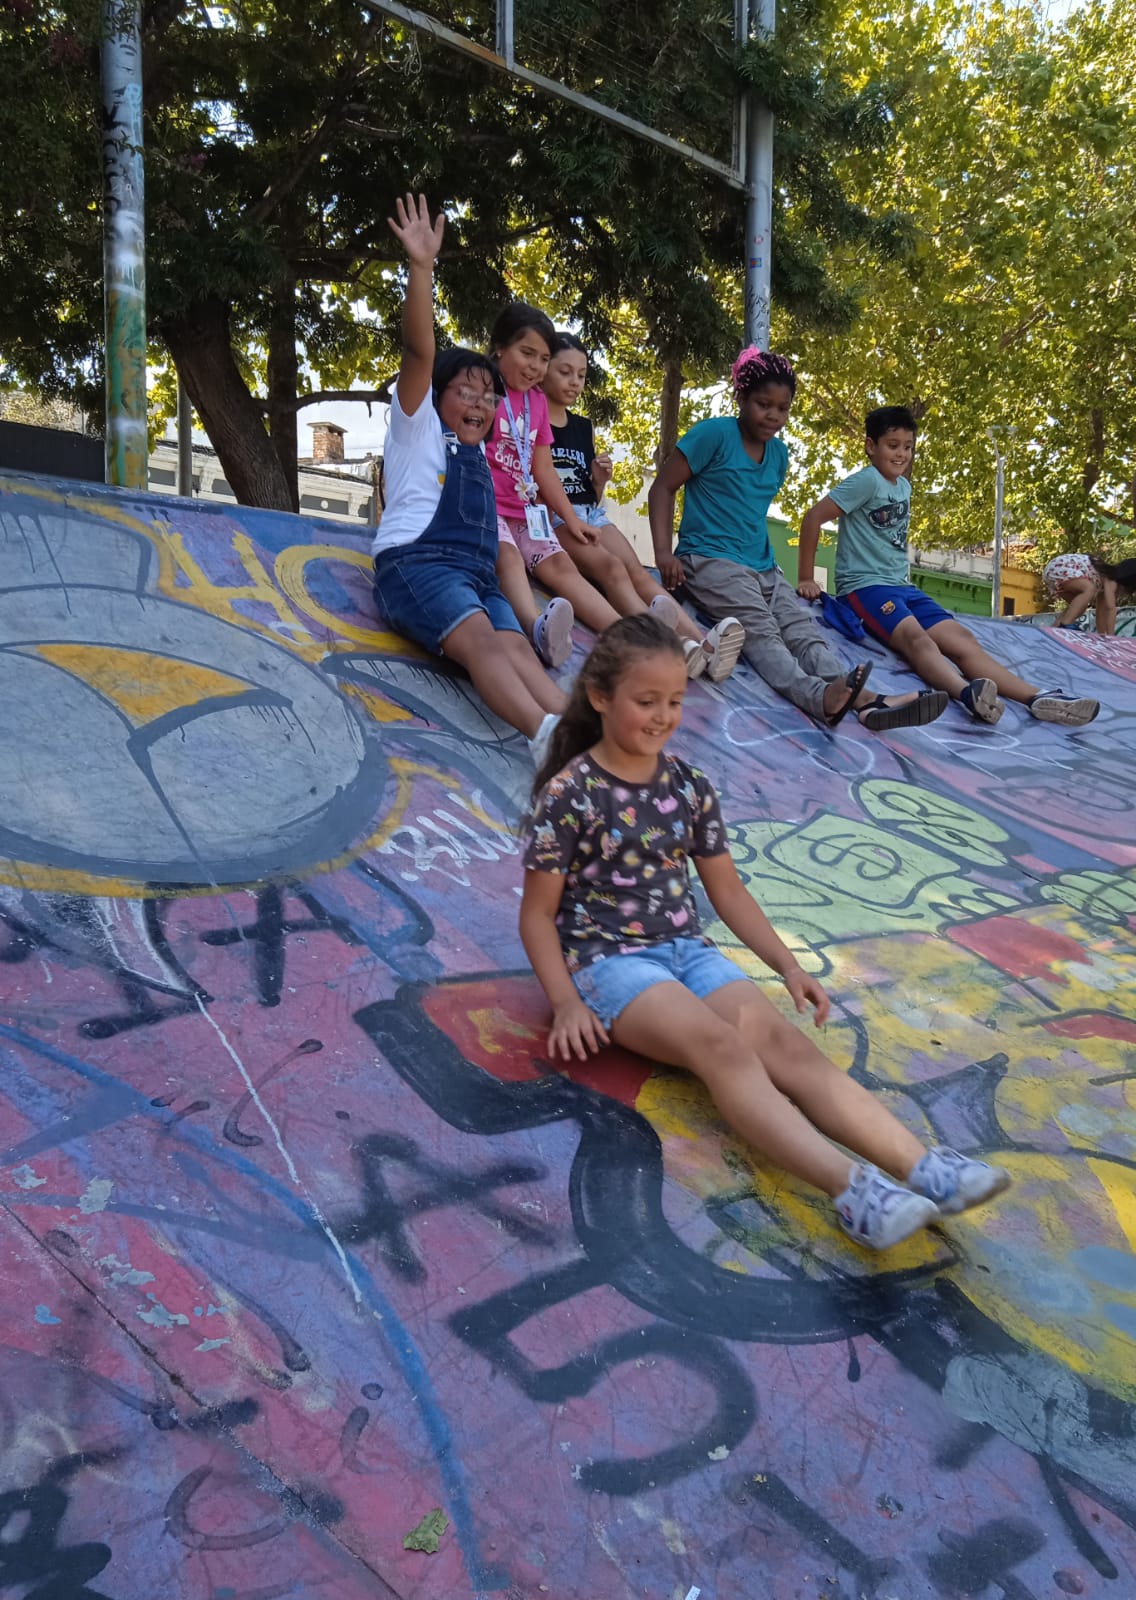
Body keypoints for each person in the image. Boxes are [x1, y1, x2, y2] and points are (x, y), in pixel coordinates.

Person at [519, 614, 1010, 1249]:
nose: (663, 716)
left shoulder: (688, 786)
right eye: (646, 701)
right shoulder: (572, 792)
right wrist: (564, 1002)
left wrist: (788, 966)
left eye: (674, 701)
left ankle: (924, 1168)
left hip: (686, 953)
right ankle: (854, 1192)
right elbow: (537, 914)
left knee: (784, 1043)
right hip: (609, 963)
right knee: (721, 1047)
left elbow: (727, 891)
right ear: (599, 697)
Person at [648, 348, 946, 732]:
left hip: (764, 567)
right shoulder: (713, 435)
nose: (773, 415)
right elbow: (662, 488)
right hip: (710, 560)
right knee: (762, 632)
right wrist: (662, 553)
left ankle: (867, 701)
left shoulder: (779, 455)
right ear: (741, 397)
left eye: (783, 408)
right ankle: (818, 698)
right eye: (763, 404)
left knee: (804, 632)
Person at [371, 194, 563, 765]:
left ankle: (590, 737)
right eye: (467, 392)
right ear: (436, 395)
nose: (481, 403)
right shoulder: (418, 427)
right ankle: (546, 737)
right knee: (482, 643)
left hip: (479, 577)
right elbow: (418, 350)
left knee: (520, 653)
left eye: (489, 396)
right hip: (419, 564)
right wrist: (421, 266)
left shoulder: (479, 453)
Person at [798, 406, 1101, 726]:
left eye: (908, 446)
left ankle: (1036, 696)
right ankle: (967, 693)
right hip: (866, 588)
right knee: (918, 639)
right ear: (871, 446)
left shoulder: (903, 487)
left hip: (902, 587)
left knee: (962, 639)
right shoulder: (866, 481)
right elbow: (814, 517)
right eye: (893, 445)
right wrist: (806, 577)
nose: (901, 454)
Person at [544, 332, 745, 681]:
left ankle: (704, 646)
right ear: (544, 368)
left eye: (581, 374)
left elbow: (591, 495)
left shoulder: (581, 427)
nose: (574, 382)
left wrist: (599, 480)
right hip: (558, 518)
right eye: (565, 372)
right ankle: (667, 643)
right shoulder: (533, 423)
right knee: (612, 568)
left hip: (591, 514)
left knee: (635, 570)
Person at [484, 303, 625, 665]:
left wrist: (572, 520)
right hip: (486, 505)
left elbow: (543, 467)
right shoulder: (483, 388)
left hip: (526, 510)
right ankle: (536, 627)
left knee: (561, 565)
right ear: (499, 347)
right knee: (509, 558)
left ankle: (626, 636)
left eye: (544, 358)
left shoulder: (537, 402)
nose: (535, 366)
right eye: (526, 353)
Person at [1043, 552, 1136, 636]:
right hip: (1061, 567)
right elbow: (1110, 609)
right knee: (1089, 589)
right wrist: (1111, 637)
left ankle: (1055, 628)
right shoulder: (1111, 580)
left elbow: (1100, 612)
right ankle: (1066, 624)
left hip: (1053, 572)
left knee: (1079, 607)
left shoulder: (1102, 582)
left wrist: (1102, 636)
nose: (1119, 594)